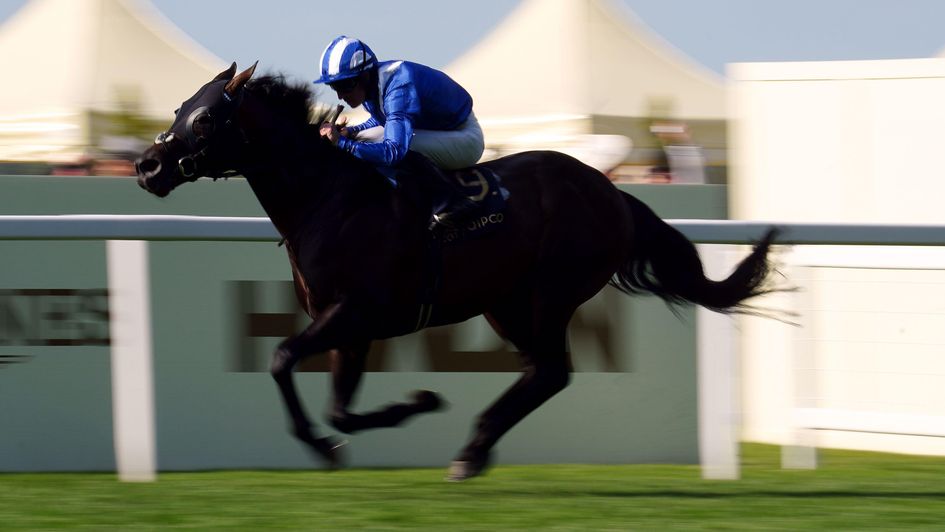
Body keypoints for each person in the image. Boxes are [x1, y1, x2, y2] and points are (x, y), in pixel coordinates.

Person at [314, 35, 484, 230]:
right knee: (367, 140)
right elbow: (381, 120)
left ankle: (451, 204)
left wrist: (343, 143)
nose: (340, 95)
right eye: (334, 86)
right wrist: (350, 132)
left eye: (345, 85)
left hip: (466, 138)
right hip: (437, 130)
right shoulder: (374, 84)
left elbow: (394, 152)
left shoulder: (398, 85)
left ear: (364, 75)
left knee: (395, 146)